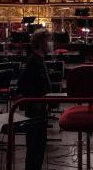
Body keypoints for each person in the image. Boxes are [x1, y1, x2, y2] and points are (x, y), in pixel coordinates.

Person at [16, 29, 53, 170]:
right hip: (35, 109)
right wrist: (37, 102)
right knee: (34, 146)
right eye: (48, 41)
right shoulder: (33, 61)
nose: (50, 44)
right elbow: (24, 83)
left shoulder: (38, 59)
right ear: (41, 43)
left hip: (40, 107)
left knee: (39, 147)